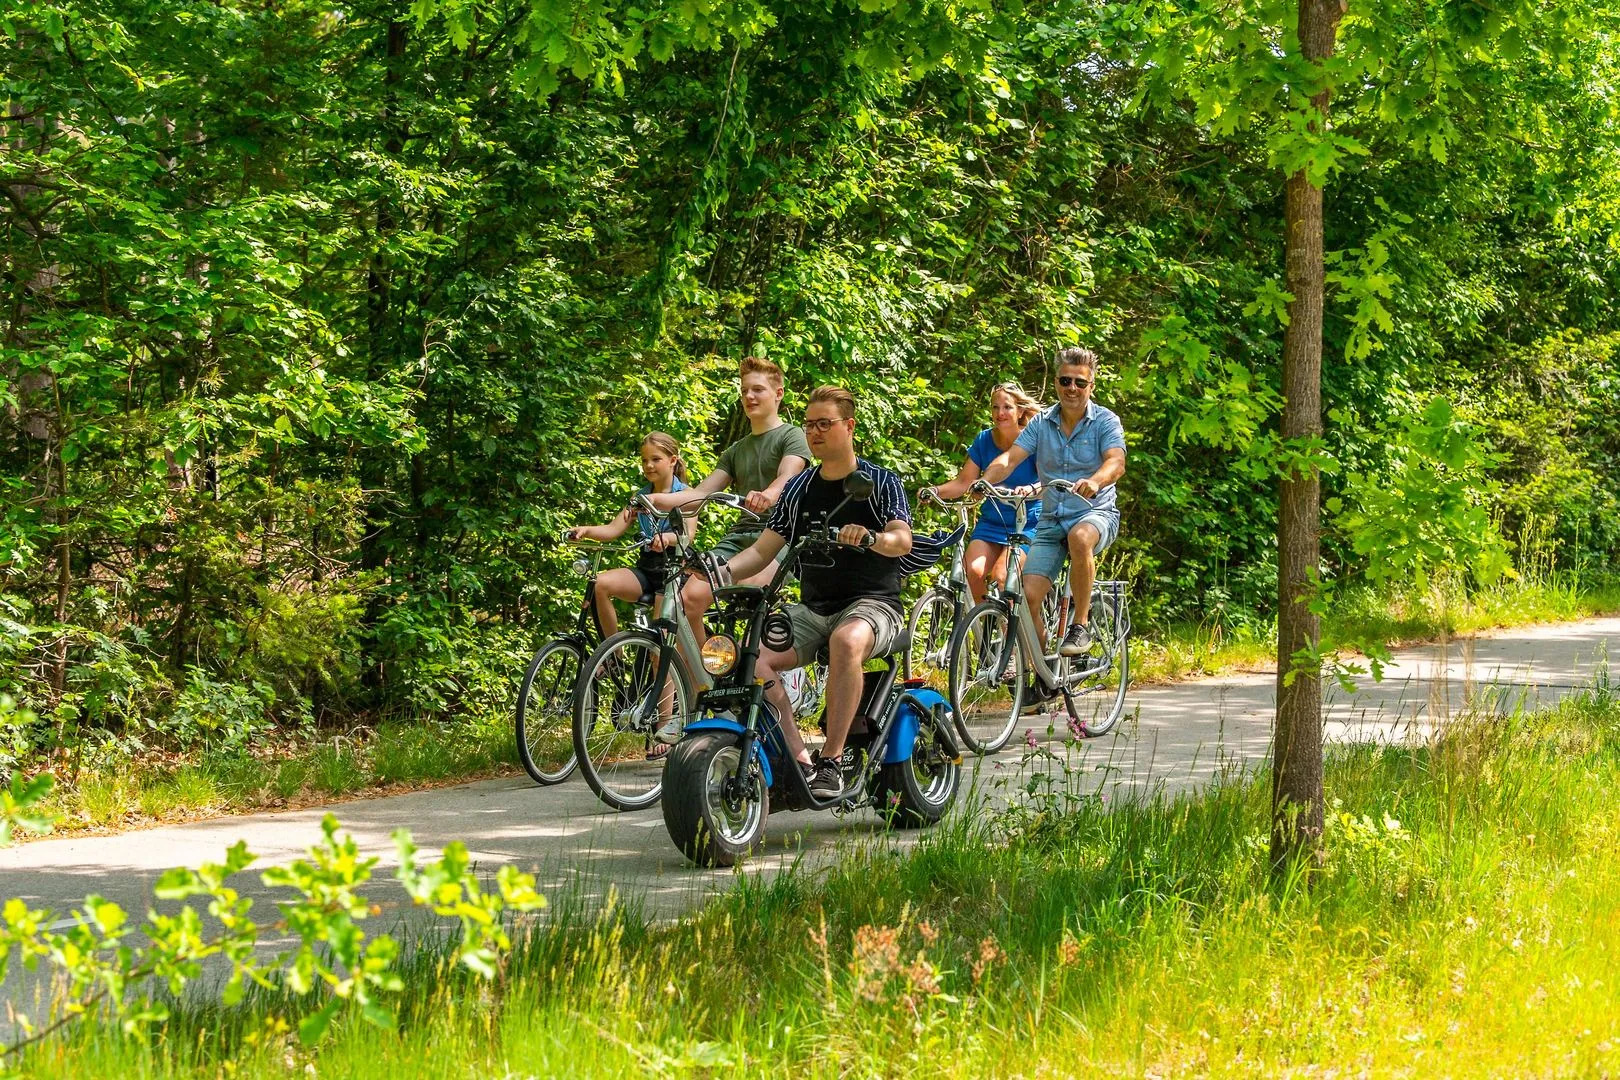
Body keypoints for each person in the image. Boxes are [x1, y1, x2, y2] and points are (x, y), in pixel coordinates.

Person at [705, 386, 913, 799]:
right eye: (809, 425)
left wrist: (871, 537)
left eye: (824, 424)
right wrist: (718, 573)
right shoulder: (799, 488)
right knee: (752, 658)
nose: (814, 432)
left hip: (874, 606)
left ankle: (832, 762)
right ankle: (798, 759)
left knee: (846, 640)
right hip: (814, 609)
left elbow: (902, 540)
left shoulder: (880, 481)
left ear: (848, 426)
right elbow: (761, 551)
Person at [647, 356, 812, 642]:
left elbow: (789, 475)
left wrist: (768, 495)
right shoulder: (736, 450)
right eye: (744, 390)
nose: (749, 396)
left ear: (778, 394)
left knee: (747, 595)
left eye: (758, 389)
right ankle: (707, 668)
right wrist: (658, 500)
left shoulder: (792, 435)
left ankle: (753, 663)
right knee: (687, 600)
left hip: (779, 537)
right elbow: (699, 495)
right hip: (738, 537)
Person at [981, 348, 1127, 656]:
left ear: (1091, 386)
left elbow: (1116, 461)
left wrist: (1095, 481)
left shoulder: (1105, 421)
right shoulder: (1041, 423)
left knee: (1080, 537)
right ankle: (1039, 671)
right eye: (1065, 381)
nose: (1072, 388)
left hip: (1094, 513)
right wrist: (985, 480)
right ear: (1057, 383)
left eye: (1080, 382)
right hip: (1051, 521)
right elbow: (1010, 459)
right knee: (1028, 599)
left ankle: (1080, 626)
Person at [565, 432, 697, 640]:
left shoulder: (688, 495)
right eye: (644, 460)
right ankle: (611, 653)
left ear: (672, 461)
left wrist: (667, 539)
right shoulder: (640, 497)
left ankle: (659, 657)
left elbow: (688, 536)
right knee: (599, 584)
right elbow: (612, 529)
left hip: (674, 572)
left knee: (657, 643)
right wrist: (586, 531)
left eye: (656, 459)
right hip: (647, 567)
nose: (648, 466)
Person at [923, 382, 1043, 603]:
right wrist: (934, 491)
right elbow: (964, 482)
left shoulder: (1032, 440)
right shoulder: (984, 440)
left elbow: (1046, 482)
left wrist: (1029, 489)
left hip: (1026, 524)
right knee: (972, 572)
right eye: (995, 407)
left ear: (1020, 411)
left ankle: (1008, 622)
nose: (1000, 413)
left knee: (1001, 577)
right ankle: (983, 623)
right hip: (992, 523)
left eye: (1007, 407)